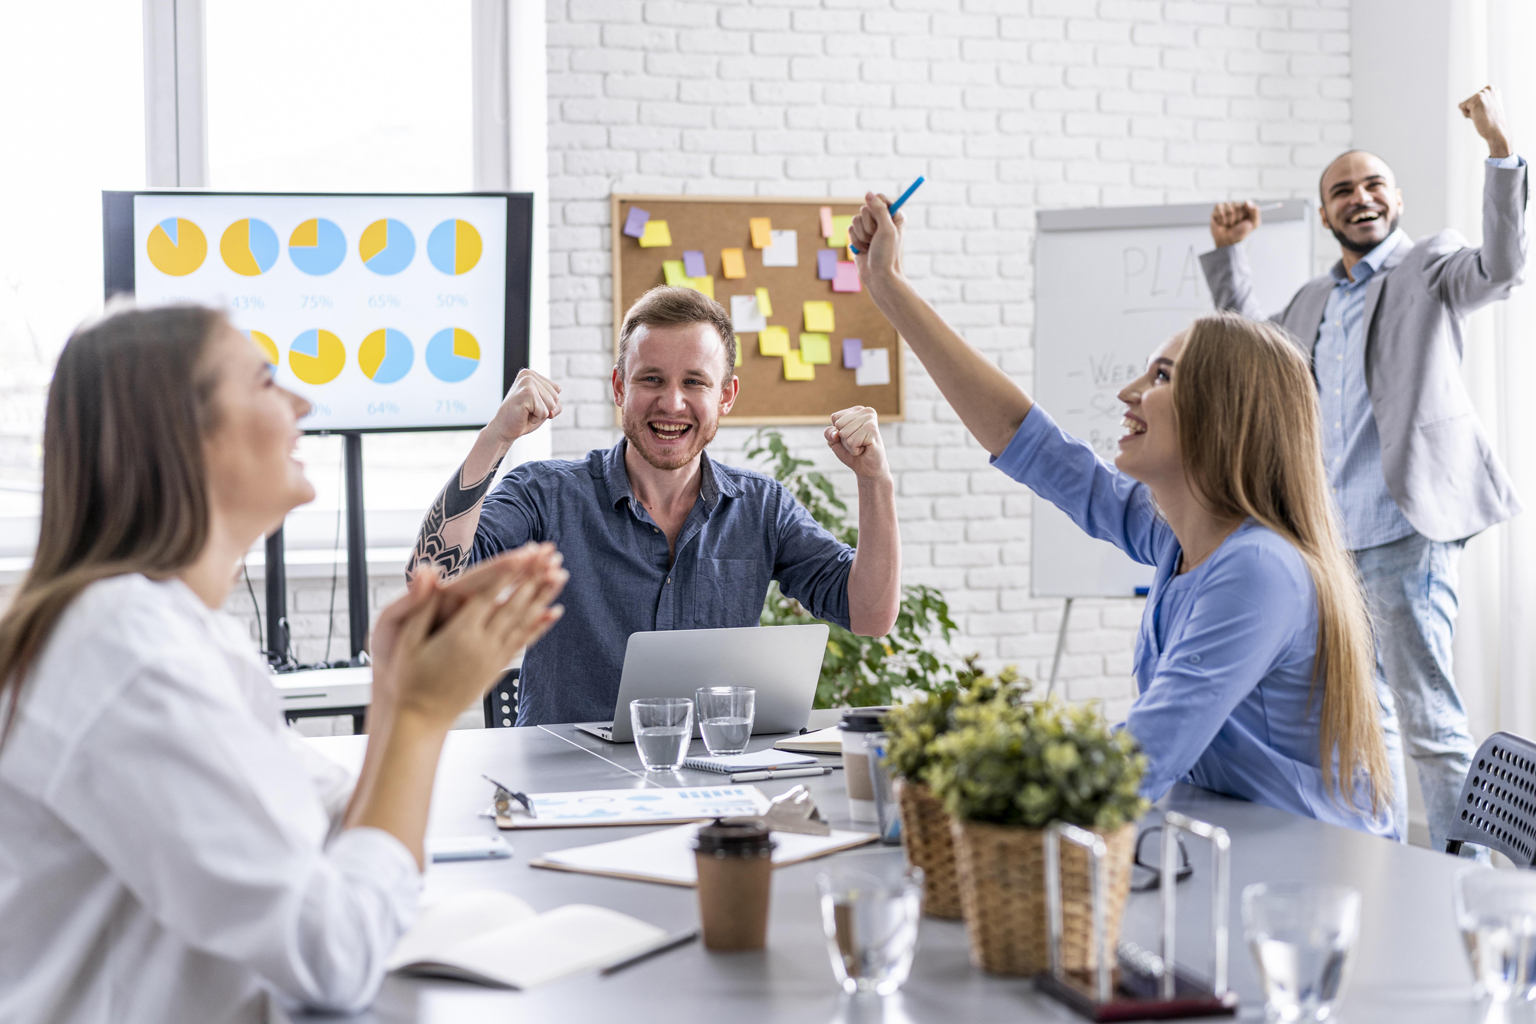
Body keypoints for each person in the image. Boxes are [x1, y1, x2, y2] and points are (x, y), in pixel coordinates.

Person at [0, 306, 568, 1023]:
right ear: (185, 434)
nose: (302, 402)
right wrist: (424, 714)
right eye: (267, 382)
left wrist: (395, 691)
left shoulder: (175, 632)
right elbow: (333, 954)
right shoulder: (124, 651)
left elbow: (332, 821)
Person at [848, 197, 1398, 836]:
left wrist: (966, 771)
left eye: (1160, 376)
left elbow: (1141, 756)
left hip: (1312, 877)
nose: (1127, 392)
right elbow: (1029, 442)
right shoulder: (1178, 538)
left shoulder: (1260, 568)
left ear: (1222, 415)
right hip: (1237, 844)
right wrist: (886, 287)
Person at [1201, 86, 1526, 851]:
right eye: (1342, 190)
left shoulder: (1431, 267)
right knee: (1360, 721)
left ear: (1397, 198)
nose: (1360, 197)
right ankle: (1381, 867)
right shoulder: (1313, 300)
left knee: (1431, 720)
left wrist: (1499, 147)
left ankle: (1461, 878)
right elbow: (1252, 348)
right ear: (1325, 216)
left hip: (1408, 530)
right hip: (1330, 543)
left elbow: (1504, 268)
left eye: (1373, 183)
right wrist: (1228, 256)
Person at [408, 285, 901, 727]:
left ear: (726, 395)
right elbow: (432, 580)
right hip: (564, 789)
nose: (671, 403)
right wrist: (496, 437)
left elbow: (871, 614)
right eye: (651, 380)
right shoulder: (545, 494)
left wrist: (874, 481)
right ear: (620, 388)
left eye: (694, 382)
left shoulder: (762, 508)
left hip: (709, 783)